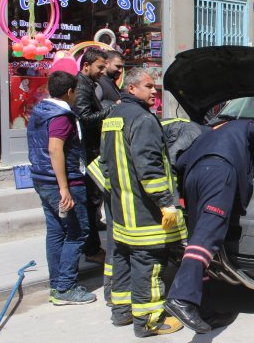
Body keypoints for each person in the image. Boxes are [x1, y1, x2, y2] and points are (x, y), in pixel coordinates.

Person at [165, 120, 254, 333]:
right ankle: (181, 298)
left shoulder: (207, 136)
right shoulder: (244, 125)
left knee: (197, 242)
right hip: (218, 173)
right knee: (208, 235)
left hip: (193, 177)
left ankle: (204, 310)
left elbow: (180, 162)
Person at [99, 68, 187, 337]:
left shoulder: (112, 116)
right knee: (148, 264)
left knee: (123, 259)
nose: (154, 91)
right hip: (144, 212)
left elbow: (104, 163)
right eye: (148, 86)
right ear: (131, 89)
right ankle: (148, 322)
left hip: (121, 210)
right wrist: (166, 203)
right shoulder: (144, 120)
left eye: (154, 86)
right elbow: (149, 169)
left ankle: (122, 313)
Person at [26, 71, 96, 305]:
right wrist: (64, 188)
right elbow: (55, 149)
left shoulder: (40, 111)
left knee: (56, 232)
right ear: (69, 92)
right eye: (76, 92)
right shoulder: (61, 116)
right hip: (62, 184)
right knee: (77, 233)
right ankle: (65, 288)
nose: (77, 96)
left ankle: (57, 284)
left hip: (42, 180)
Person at [73, 47, 114, 265]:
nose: (102, 71)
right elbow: (84, 118)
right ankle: (91, 249)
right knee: (91, 201)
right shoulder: (82, 87)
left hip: (92, 150)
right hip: (88, 153)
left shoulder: (89, 84)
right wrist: (110, 110)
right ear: (86, 65)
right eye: (100, 67)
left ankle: (91, 244)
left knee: (94, 202)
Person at [93, 49, 124, 305]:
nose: (116, 70)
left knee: (115, 241)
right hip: (109, 172)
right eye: (116, 66)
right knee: (116, 241)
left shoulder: (109, 85)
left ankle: (113, 294)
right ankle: (114, 295)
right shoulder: (100, 87)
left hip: (110, 172)